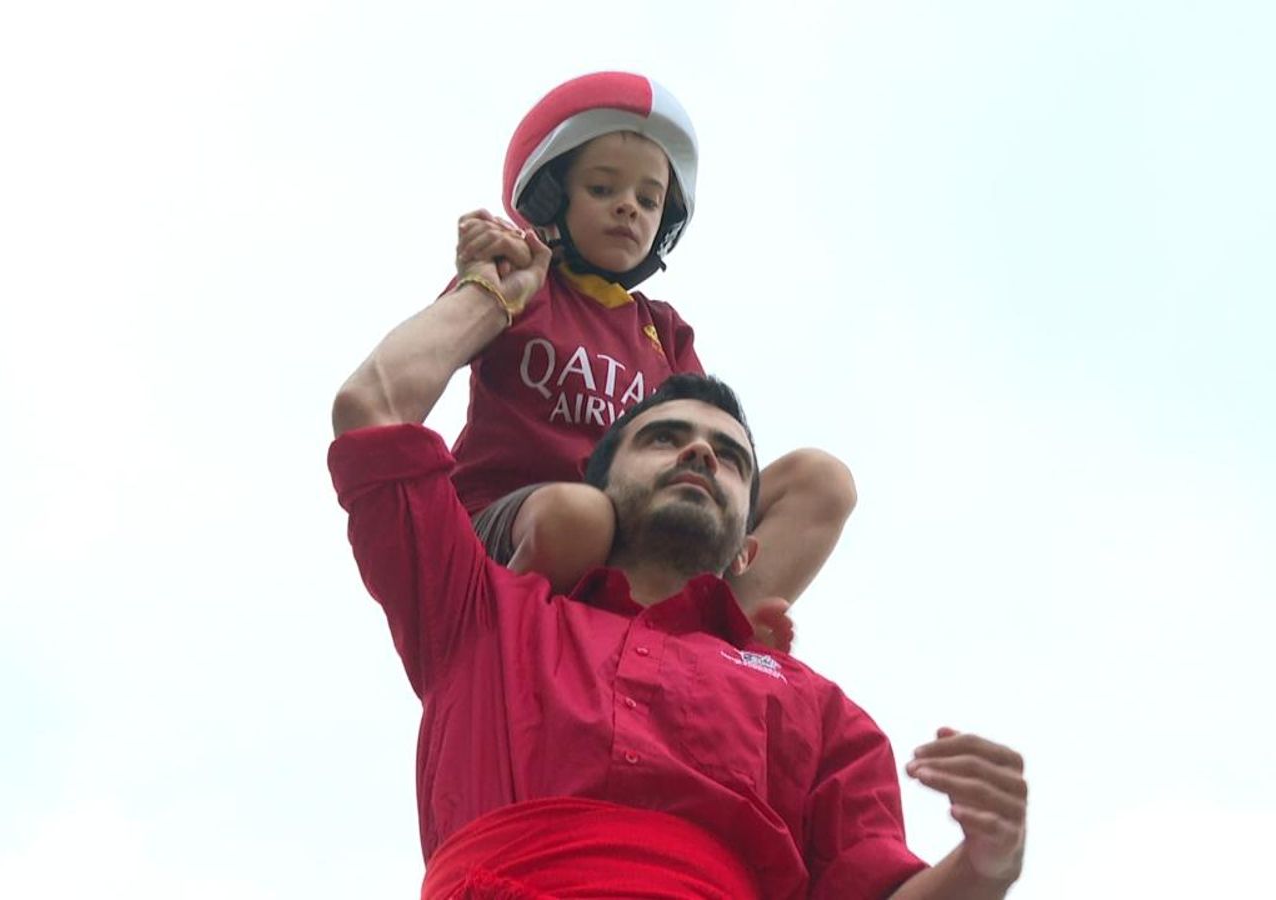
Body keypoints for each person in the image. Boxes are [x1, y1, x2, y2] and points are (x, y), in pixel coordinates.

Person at [329, 237, 1028, 898]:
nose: (700, 454)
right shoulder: (481, 612)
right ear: (599, 492)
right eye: (665, 439)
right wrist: (493, 296)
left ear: (748, 546)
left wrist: (985, 866)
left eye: (730, 457)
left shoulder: (816, 709)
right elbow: (374, 408)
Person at [445, 71, 857, 648]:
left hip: (635, 527)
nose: (627, 210)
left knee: (823, 480)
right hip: (518, 526)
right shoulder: (526, 285)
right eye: (602, 189)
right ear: (548, 199)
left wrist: (728, 530)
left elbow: (714, 440)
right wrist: (482, 271)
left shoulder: (663, 330)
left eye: (647, 199)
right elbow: (437, 347)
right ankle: (499, 653)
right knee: (582, 515)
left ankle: (711, 645)